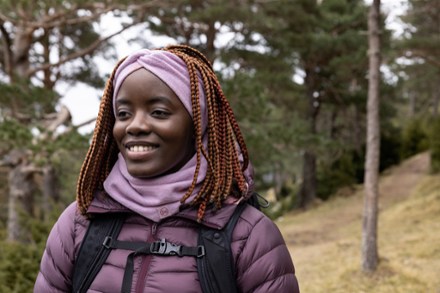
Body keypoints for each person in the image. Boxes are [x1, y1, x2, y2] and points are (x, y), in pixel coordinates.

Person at [34, 45, 300, 293]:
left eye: (159, 112)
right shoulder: (78, 224)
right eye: (123, 113)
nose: (134, 126)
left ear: (198, 125)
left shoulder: (248, 236)